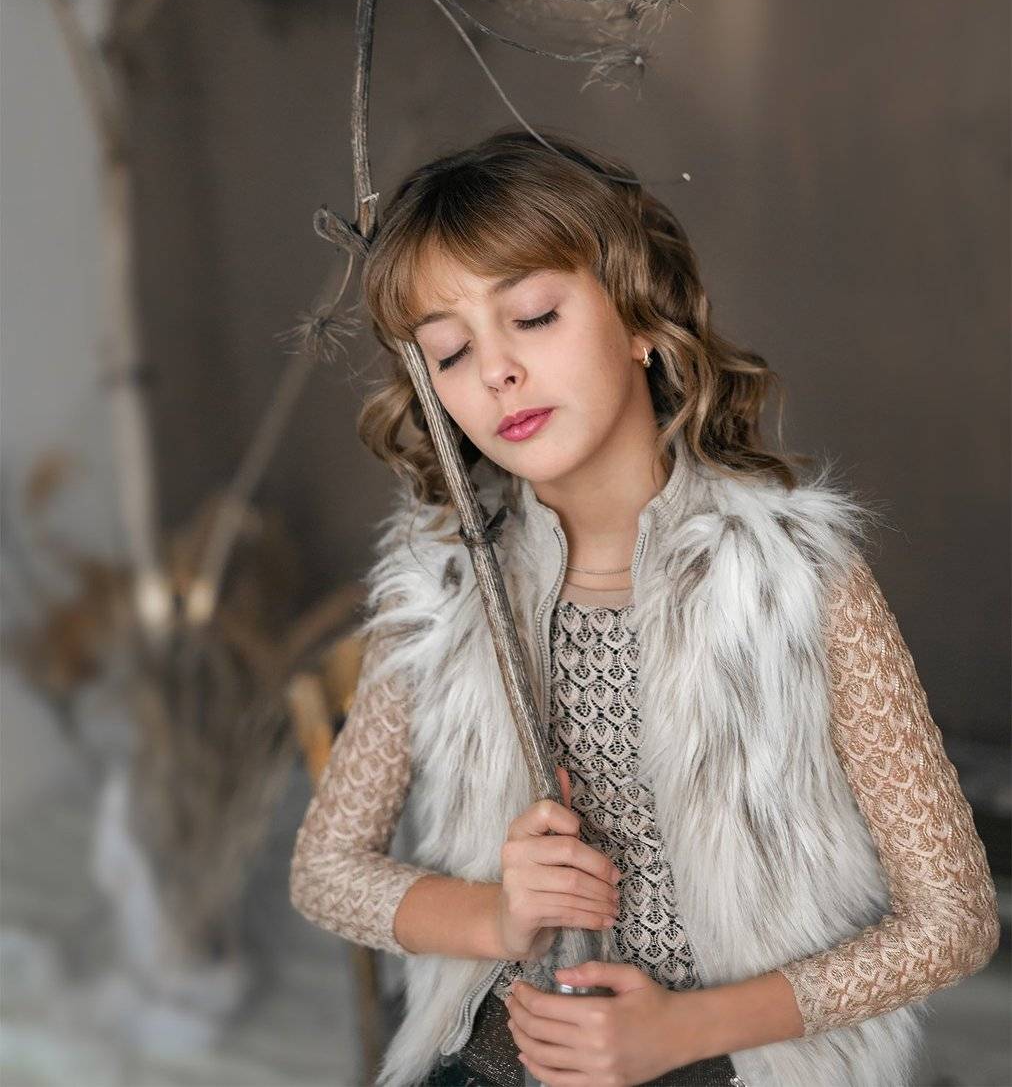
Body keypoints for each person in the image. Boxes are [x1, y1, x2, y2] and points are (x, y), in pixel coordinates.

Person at [289, 127, 999, 1087]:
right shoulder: (445, 586)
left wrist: (683, 1029)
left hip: (728, 1064)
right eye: (450, 351)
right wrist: (498, 916)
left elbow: (954, 921)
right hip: (502, 1062)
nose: (495, 371)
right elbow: (325, 871)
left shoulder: (795, 580)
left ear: (640, 319)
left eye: (534, 315)